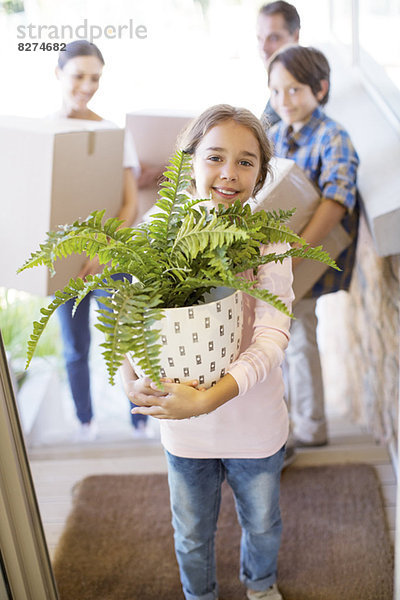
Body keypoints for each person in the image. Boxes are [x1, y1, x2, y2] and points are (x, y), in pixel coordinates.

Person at [120, 104, 294, 600]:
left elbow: (272, 336)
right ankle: (200, 595)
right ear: (188, 161)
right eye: (215, 156)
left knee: (262, 524)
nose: (228, 173)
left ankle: (260, 587)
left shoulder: (266, 242)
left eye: (246, 162)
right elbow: (132, 318)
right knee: (192, 534)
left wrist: (209, 398)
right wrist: (129, 376)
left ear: (260, 175)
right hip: (184, 426)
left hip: (254, 424)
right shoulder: (159, 231)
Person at [54, 40, 149, 440]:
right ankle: (84, 421)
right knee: (75, 348)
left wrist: (103, 250)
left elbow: (130, 205)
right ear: (58, 74)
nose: (88, 85)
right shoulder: (45, 134)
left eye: (95, 78)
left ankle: (141, 417)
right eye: (79, 76)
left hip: (112, 259)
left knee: (126, 339)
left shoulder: (112, 133)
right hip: (65, 265)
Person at [267, 45, 360, 446]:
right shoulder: (272, 135)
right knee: (275, 337)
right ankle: (279, 422)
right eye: (275, 91)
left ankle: (311, 426)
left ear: (319, 89)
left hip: (306, 257)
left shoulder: (333, 137)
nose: (283, 100)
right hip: (273, 258)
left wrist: (296, 253)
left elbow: (337, 201)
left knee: (301, 333)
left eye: (294, 90)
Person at [256, 1, 301, 127]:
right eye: (259, 38)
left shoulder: (304, 89)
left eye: (274, 38)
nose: (263, 48)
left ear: (295, 36)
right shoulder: (279, 82)